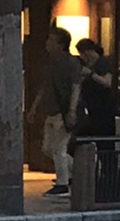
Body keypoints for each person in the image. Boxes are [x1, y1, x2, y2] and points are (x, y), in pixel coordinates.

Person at [29, 26, 81, 197]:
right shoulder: (51, 62)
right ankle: (81, 171)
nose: (47, 42)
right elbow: (44, 87)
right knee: (48, 148)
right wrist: (34, 107)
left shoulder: (71, 62)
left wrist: (72, 110)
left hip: (63, 110)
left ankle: (62, 184)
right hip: (51, 110)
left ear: (60, 44)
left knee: (59, 148)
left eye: (51, 40)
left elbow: (75, 86)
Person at [69, 38, 116, 169]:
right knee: (80, 141)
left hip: (103, 111)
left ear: (88, 52)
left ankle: (108, 172)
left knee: (104, 145)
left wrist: (91, 75)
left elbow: (107, 82)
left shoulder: (102, 64)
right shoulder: (90, 66)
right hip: (91, 110)